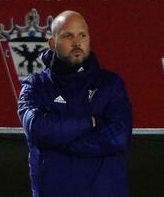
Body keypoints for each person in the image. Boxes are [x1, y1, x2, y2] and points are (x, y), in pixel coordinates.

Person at [17, 10, 132, 197]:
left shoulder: (110, 84)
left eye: (82, 35)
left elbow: (119, 137)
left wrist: (60, 142)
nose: (77, 42)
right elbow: (37, 128)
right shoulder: (35, 85)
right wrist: (91, 123)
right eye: (68, 35)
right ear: (52, 44)